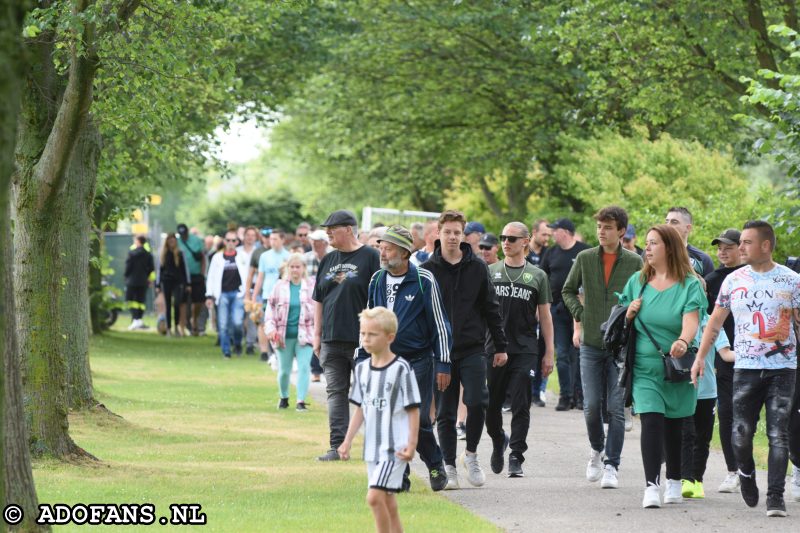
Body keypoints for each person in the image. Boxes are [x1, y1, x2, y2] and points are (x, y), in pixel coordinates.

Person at [692, 220, 799, 517]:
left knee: (779, 434)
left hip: (783, 368)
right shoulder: (733, 280)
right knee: (741, 433)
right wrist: (701, 358)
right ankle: (747, 473)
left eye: (746, 243)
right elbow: (714, 322)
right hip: (746, 367)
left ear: (765, 246)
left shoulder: (791, 281)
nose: (740, 248)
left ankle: (775, 496)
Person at [360, 225, 452, 491]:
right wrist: (361, 355)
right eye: (381, 248)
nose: (383, 253)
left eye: (387, 249)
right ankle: (401, 476)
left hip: (418, 361)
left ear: (404, 251)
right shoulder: (377, 279)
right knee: (391, 419)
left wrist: (443, 363)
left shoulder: (424, 280)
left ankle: (435, 462)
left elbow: (440, 324)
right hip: (385, 362)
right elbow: (368, 319)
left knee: (419, 418)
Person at [620, 224, 705, 509]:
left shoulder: (689, 285)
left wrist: (683, 340)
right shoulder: (637, 281)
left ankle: (675, 480)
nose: (647, 248)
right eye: (646, 243)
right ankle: (651, 485)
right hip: (644, 367)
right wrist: (629, 313)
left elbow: (691, 319)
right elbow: (621, 318)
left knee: (674, 425)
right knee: (652, 421)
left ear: (669, 247)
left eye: (653, 243)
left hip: (676, 367)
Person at [422, 210, 507, 490]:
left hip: (473, 347)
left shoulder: (477, 267)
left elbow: (491, 308)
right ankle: (449, 466)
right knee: (445, 411)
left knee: (478, 400)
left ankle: (470, 454)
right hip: (441, 352)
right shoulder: (428, 269)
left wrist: (500, 346)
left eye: (457, 232)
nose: (452, 237)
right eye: (447, 232)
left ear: (464, 234)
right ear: (439, 233)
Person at [562, 206, 643, 489]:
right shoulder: (584, 258)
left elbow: (644, 294)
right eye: (599, 227)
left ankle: (612, 464)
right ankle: (597, 449)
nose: (601, 231)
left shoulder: (635, 262)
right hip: (591, 344)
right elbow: (567, 290)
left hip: (621, 347)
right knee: (592, 406)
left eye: (607, 227)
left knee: (616, 408)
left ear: (621, 231)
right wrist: (582, 315)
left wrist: (631, 318)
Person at [338, 307, 420, 533]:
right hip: (372, 449)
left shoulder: (401, 369)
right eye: (363, 333)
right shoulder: (362, 369)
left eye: (372, 334)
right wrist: (347, 441)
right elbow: (361, 409)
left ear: (389, 337)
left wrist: (412, 445)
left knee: (374, 498)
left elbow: (414, 409)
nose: (366, 339)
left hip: (396, 448)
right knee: (387, 501)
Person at [486, 221, 554, 478]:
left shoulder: (537, 275)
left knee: (521, 402)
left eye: (512, 238)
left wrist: (549, 352)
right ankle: (497, 440)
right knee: (491, 405)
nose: (505, 242)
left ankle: (516, 455)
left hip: (525, 347)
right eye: (503, 237)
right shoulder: (490, 271)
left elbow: (545, 317)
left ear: (525, 241)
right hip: (493, 347)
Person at [314, 210, 381, 462]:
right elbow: (319, 298)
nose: (328, 232)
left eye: (333, 228)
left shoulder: (371, 257)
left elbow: (379, 297)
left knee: (368, 393)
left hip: (362, 340)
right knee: (335, 393)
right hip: (331, 338)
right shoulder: (328, 260)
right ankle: (337, 447)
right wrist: (317, 334)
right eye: (327, 228)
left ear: (349, 229)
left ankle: (374, 446)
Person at [702, 228, 745, 493]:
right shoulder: (712, 280)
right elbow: (707, 321)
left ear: (742, 248)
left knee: (749, 417)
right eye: (719, 248)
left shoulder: (751, 276)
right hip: (724, 357)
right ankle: (733, 471)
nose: (722, 252)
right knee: (727, 413)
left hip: (756, 357)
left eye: (728, 247)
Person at [680, 315, 734, 499]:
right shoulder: (677, 318)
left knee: (702, 438)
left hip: (707, 389)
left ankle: (697, 480)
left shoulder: (713, 322)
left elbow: (726, 354)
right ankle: (684, 479)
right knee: (685, 435)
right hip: (682, 388)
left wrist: (754, 354)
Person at [541, 218, 590, 411]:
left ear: (566, 232)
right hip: (557, 311)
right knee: (561, 354)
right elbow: (542, 278)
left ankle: (580, 396)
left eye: (555, 230)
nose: (552, 233)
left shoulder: (583, 251)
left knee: (579, 353)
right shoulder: (551, 253)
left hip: (579, 309)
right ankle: (565, 395)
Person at [264, 253, 315, 411]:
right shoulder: (279, 286)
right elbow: (270, 310)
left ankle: (301, 400)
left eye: (298, 267)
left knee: (304, 367)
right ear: (287, 268)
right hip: (283, 335)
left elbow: (318, 309)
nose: (295, 270)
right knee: (284, 370)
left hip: (305, 334)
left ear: (303, 268)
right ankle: (284, 396)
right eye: (292, 267)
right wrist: (271, 329)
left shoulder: (310, 286)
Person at [205, 230, 250, 358]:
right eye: (228, 240)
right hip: (222, 294)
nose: (231, 243)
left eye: (233, 240)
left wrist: (248, 292)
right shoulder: (217, 258)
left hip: (238, 294)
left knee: (237, 322)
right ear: (224, 241)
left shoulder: (242, 257)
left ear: (237, 242)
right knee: (223, 325)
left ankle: (237, 343)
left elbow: (248, 276)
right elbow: (211, 277)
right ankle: (226, 351)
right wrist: (209, 295)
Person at [156, 233, 191, 337]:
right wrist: (157, 285)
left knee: (177, 303)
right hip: (166, 281)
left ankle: (176, 326)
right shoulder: (162, 254)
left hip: (178, 282)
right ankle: (168, 328)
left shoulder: (180, 253)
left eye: (173, 240)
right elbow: (159, 270)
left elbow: (185, 270)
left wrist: (188, 283)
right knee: (167, 305)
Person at [664, 207, 714, 276]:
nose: (668, 225)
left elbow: (708, 286)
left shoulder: (702, 259)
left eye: (674, 222)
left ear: (688, 228)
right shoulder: (652, 253)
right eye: (666, 222)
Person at [177, 223, 206, 336]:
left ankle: (194, 319)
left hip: (196, 274)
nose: (183, 236)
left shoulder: (197, 240)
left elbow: (202, 257)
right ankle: (183, 325)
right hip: (183, 276)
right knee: (183, 301)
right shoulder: (177, 241)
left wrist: (203, 273)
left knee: (198, 300)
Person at [253, 229, 291, 307]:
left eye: (275, 239)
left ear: (282, 240)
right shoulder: (264, 256)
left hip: (283, 296)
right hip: (267, 295)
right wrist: (254, 297)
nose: (272, 241)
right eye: (271, 239)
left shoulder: (289, 256)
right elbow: (260, 278)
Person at [237, 226, 260, 355]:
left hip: (254, 288)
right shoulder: (237, 251)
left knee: (252, 318)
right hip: (239, 289)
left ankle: (250, 343)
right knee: (238, 319)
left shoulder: (258, 252)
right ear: (244, 236)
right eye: (248, 235)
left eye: (253, 235)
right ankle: (238, 341)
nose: (250, 237)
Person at [125, 235, 155, 330]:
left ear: (138, 241)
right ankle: (139, 319)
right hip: (143, 281)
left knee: (130, 300)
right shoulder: (148, 254)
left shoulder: (131, 253)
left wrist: (126, 276)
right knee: (141, 301)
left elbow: (128, 267)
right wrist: (147, 277)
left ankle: (135, 319)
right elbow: (151, 268)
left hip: (132, 281)